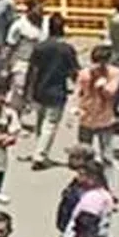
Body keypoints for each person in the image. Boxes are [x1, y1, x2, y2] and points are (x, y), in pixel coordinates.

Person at [26, 14, 78, 168]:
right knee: (50, 125)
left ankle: (40, 150)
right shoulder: (67, 49)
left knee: (41, 123)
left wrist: (28, 90)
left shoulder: (40, 47)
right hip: (57, 91)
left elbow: (32, 70)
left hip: (39, 89)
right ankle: (40, 155)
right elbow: (73, 71)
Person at [75, 45, 119, 176]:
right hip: (87, 117)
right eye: (97, 62)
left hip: (105, 117)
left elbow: (111, 93)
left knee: (107, 155)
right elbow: (78, 92)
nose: (99, 65)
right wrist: (76, 109)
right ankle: (83, 178)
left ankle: (108, 183)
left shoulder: (114, 73)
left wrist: (102, 86)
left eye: (103, 62)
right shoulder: (84, 73)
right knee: (84, 153)